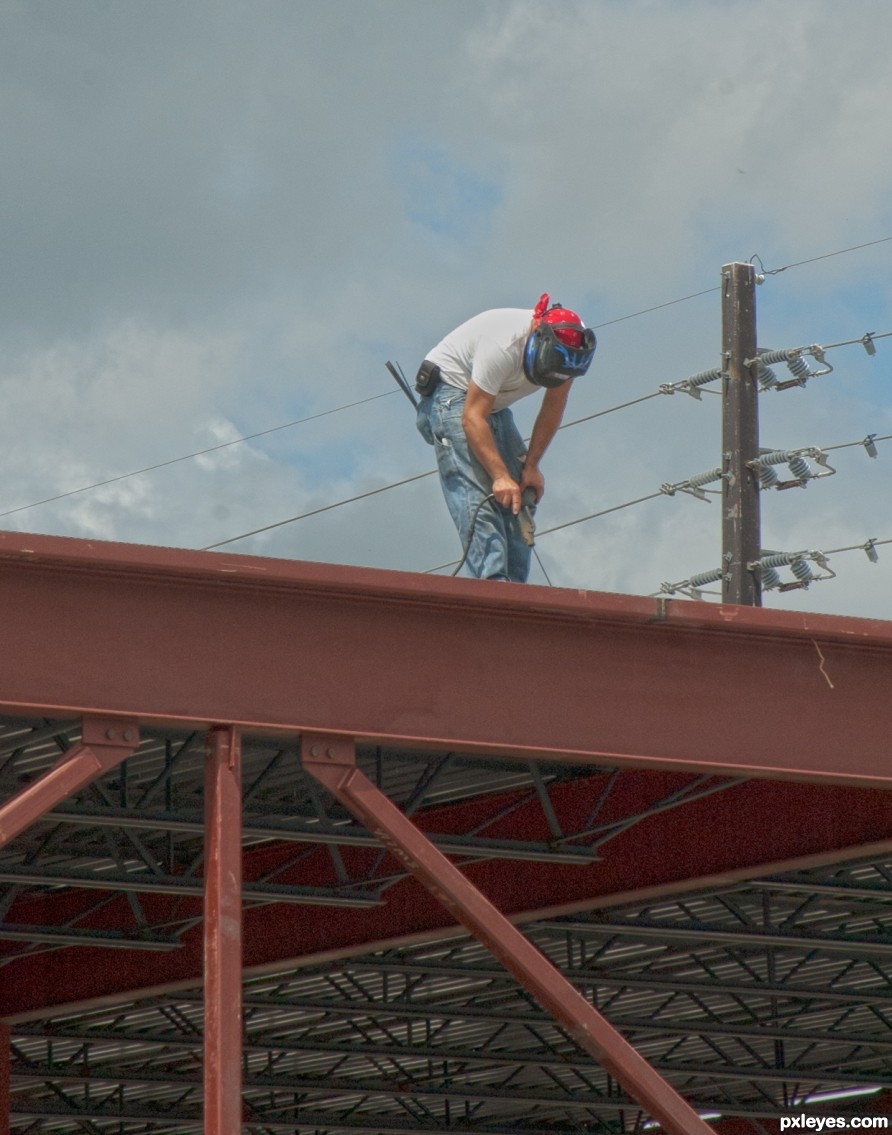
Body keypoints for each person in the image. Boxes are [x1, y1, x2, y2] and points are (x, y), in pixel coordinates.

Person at [415, 293, 596, 582]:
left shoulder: (572, 347)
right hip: (452, 396)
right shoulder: (502, 343)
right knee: (483, 494)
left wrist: (532, 466)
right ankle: (492, 583)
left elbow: (553, 406)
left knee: (520, 494)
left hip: (493, 404)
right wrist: (499, 475)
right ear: (538, 341)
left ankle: (514, 588)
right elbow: (473, 418)